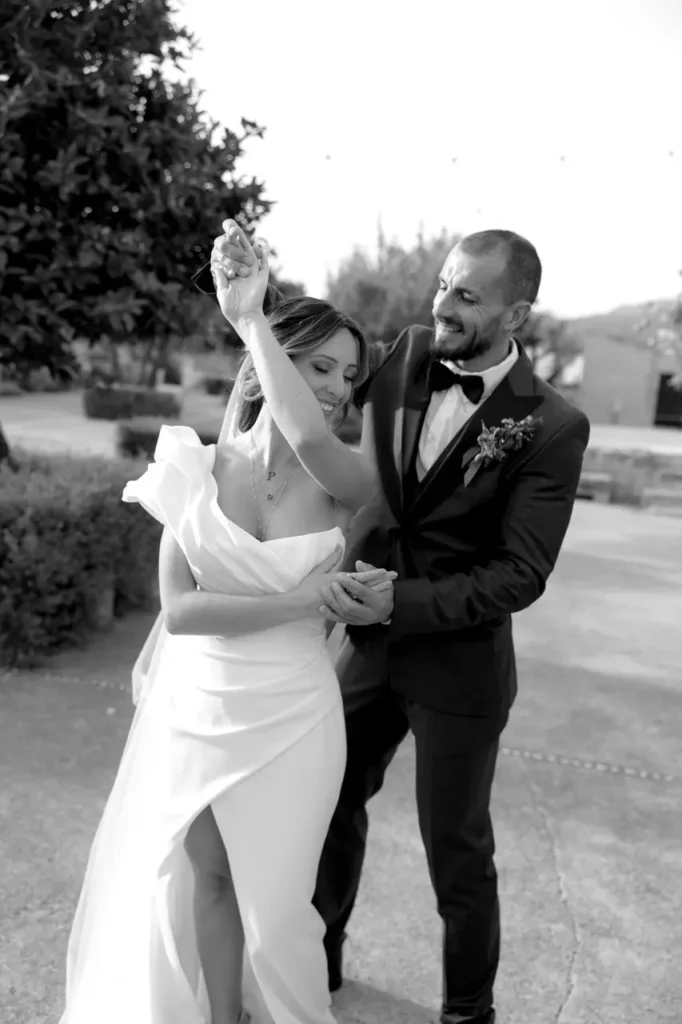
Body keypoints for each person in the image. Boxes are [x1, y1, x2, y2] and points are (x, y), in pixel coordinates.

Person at [209, 224, 591, 1024]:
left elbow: (520, 573)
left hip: (460, 667)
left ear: (516, 315)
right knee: (329, 810)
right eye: (443, 284)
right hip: (363, 649)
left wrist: (404, 603)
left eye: (467, 295)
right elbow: (316, 393)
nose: (442, 305)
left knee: (457, 850)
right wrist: (259, 304)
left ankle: (467, 1010)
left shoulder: (551, 426)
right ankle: (321, 968)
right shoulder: (410, 353)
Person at [59, 227, 398, 1024]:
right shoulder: (196, 466)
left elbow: (312, 435)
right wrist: (306, 601)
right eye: (319, 365)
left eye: (350, 376)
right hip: (199, 705)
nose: (337, 388)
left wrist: (250, 317)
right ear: (275, 364)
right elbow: (181, 611)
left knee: (279, 909)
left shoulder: (351, 480)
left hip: (294, 710)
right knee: (206, 878)